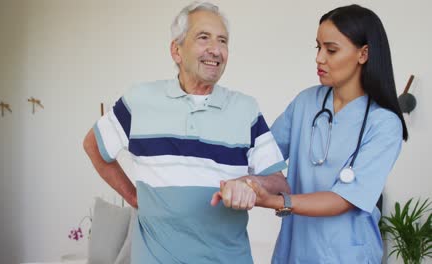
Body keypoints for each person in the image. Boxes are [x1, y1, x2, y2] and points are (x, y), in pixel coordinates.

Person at [83, 1, 289, 263]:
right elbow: (93, 146)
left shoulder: (245, 109)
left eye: (222, 41)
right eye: (204, 38)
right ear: (176, 50)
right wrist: (133, 196)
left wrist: (250, 184)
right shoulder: (140, 100)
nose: (215, 50)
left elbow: (281, 183)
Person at [241, 4, 408, 263]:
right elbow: (262, 156)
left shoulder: (384, 124)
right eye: (318, 47)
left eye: (331, 50)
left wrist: (274, 201)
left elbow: (344, 200)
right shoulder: (306, 103)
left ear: (363, 54)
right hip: (295, 249)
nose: (319, 58)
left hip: (348, 254)